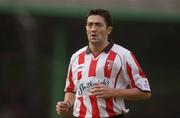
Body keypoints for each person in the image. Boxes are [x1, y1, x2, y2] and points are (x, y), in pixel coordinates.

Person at [56, 8, 151, 118]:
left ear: (108, 30)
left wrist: (114, 92)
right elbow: (71, 91)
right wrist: (66, 104)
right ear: (86, 28)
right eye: (90, 25)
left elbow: (144, 92)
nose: (93, 29)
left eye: (98, 25)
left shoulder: (124, 55)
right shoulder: (76, 57)